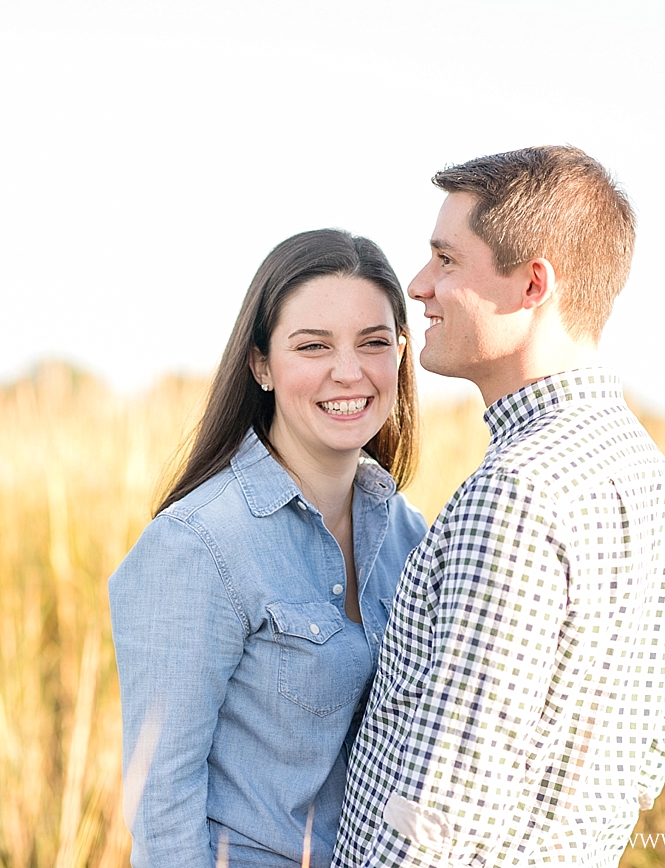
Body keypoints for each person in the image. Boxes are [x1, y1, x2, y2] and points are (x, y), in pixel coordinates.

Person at [334, 147, 665, 868]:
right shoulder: (659, 489)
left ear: (533, 283)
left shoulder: (515, 495)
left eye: (446, 259)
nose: (418, 285)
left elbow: (441, 814)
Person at [110, 228, 428, 868]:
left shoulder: (410, 535)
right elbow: (161, 804)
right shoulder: (198, 544)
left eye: (374, 343)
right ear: (261, 364)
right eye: (313, 346)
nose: (350, 371)